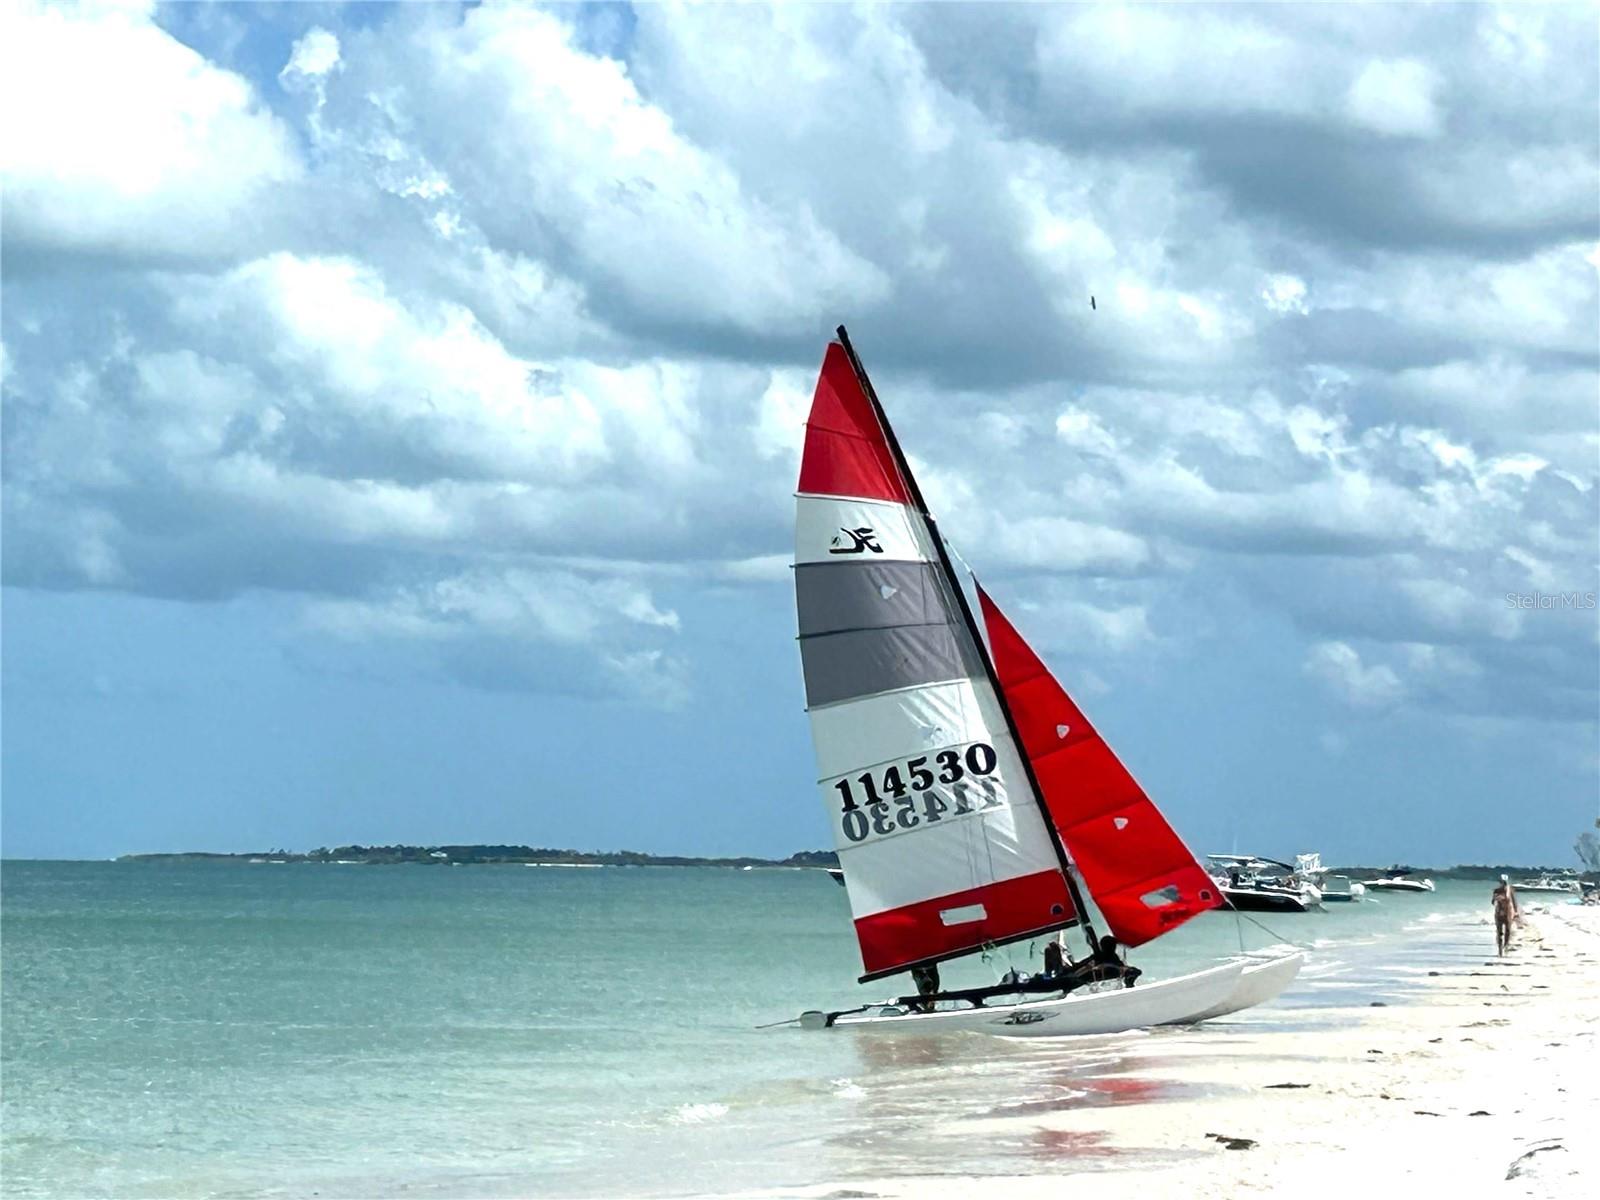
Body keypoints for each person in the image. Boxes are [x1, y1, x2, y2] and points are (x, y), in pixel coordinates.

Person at [1492, 874, 1518, 955]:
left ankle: (1505, 946)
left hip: (1508, 912)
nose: (1503, 884)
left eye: (1504, 882)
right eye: (1502, 882)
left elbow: (1513, 901)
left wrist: (1516, 911)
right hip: (1499, 912)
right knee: (1499, 931)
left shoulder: (1510, 890)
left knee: (1508, 930)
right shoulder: (1496, 891)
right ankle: (1500, 949)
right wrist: (1496, 898)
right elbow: (1492, 902)